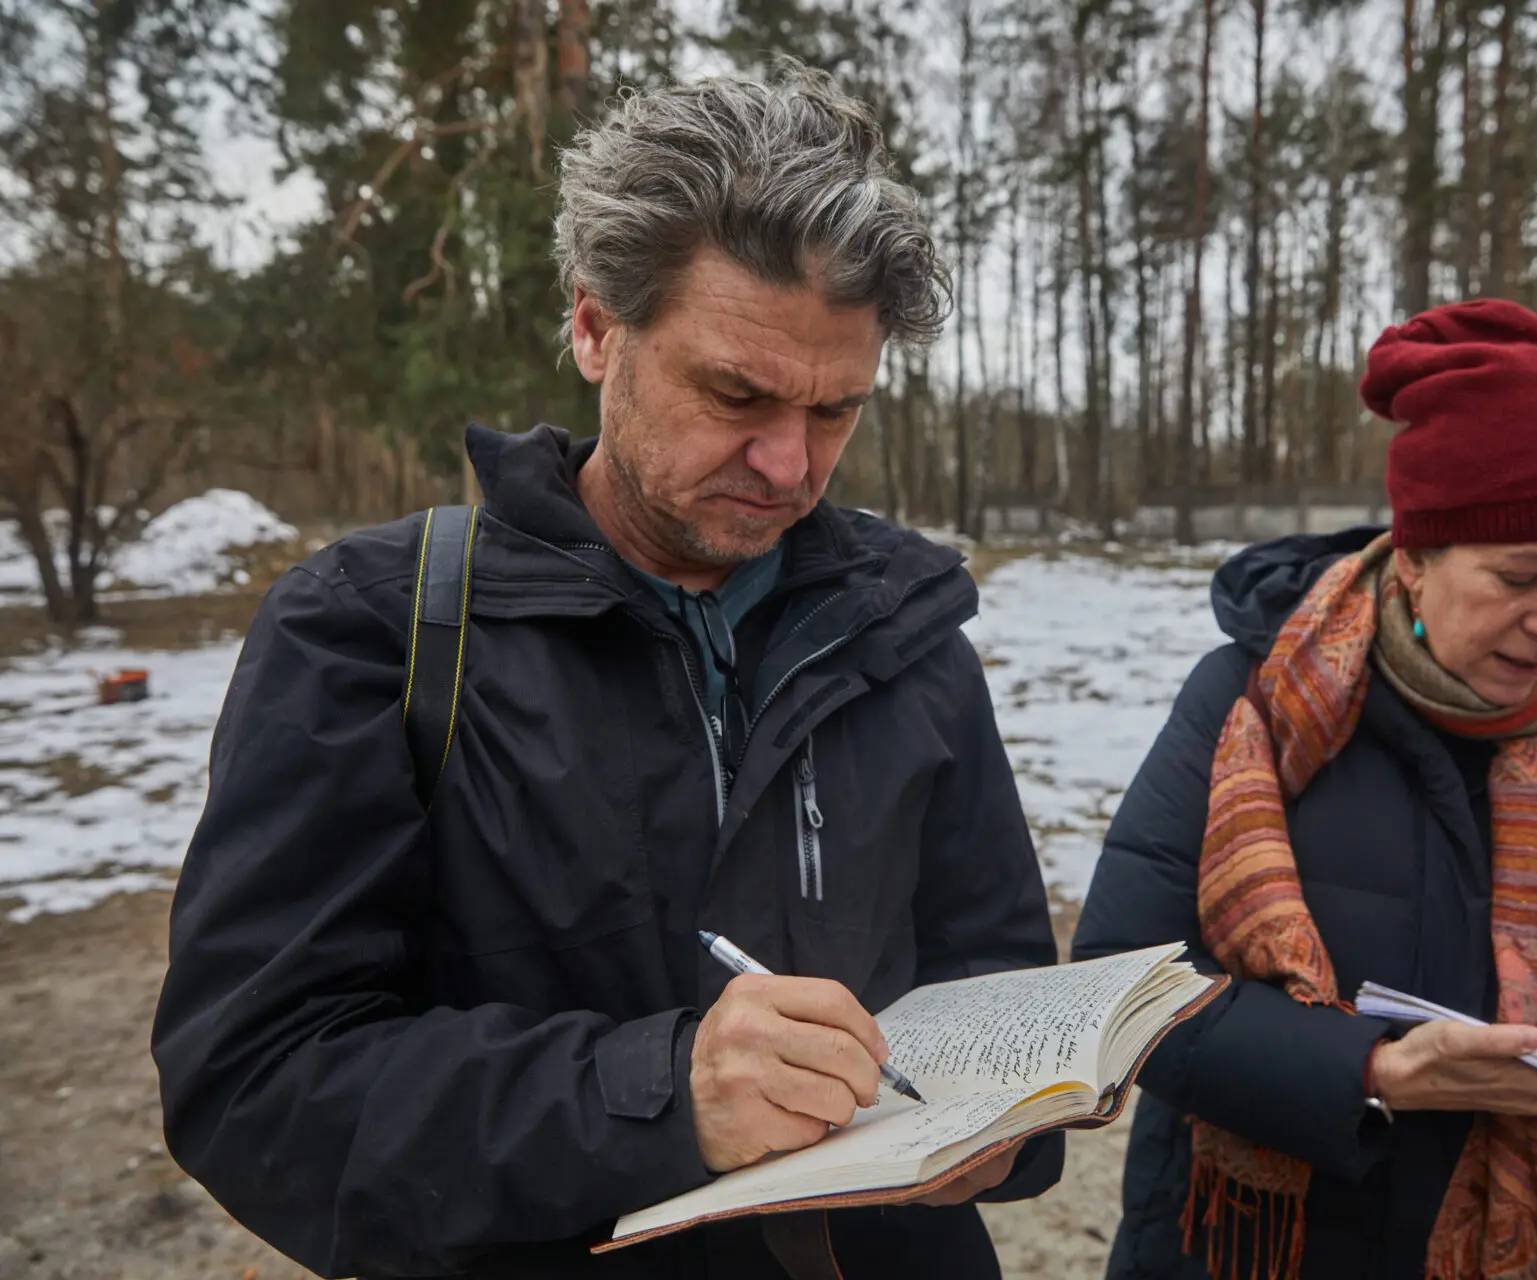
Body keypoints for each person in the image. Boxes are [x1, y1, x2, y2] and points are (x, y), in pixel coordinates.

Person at [152, 66, 1061, 1280]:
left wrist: (1009, 1125)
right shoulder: (373, 632)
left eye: (837, 410)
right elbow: (254, 1083)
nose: (788, 464)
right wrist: (658, 1096)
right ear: (593, 327)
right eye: (735, 392)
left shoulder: (902, 632)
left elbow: (997, 983)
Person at [1072, 299, 1537, 1280]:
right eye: (1521, 575)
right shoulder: (1251, 705)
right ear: (1418, 555)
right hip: (1243, 1251)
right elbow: (1116, 984)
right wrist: (1372, 1070)